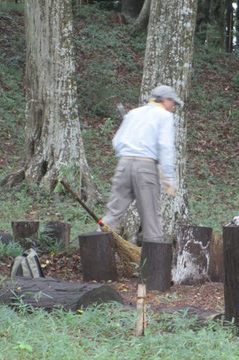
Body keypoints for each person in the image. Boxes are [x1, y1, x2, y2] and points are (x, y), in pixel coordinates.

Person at [100, 85, 182, 291]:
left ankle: (96, 263)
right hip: (146, 166)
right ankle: (155, 276)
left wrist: (129, 154)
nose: (173, 107)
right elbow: (165, 146)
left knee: (111, 215)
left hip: (124, 164)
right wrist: (169, 177)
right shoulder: (164, 117)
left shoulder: (134, 114)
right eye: (172, 103)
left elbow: (116, 141)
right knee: (152, 219)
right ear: (164, 100)